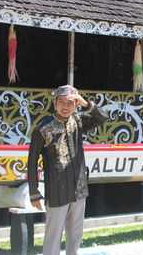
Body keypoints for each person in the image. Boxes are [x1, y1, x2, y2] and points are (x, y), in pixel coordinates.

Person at [27, 84, 108, 255]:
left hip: (79, 187)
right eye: (62, 102)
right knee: (53, 235)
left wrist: (86, 105)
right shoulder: (43, 128)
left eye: (71, 103)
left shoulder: (78, 121)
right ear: (55, 103)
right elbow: (32, 161)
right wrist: (34, 192)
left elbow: (103, 117)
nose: (66, 106)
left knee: (75, 234)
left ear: (76, 104)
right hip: (57, 190)